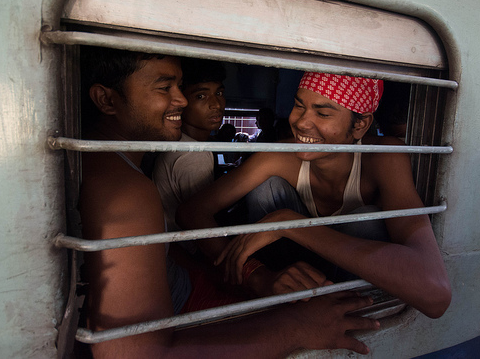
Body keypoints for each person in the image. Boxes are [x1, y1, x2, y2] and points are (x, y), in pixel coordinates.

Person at [78, 48, 379, 358]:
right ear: (107, 100)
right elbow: (135, 353)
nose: (180, 99)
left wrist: (245, 271)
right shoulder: (126, 189)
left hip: (184, 282)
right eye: (165, 87)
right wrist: (297, 327)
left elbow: (161, 256)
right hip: (182, 305)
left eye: (180, 87)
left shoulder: (104, 164)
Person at [177, 71, 452, 319]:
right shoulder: (278, 156)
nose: (301, 123)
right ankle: (283, 301)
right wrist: (258, 277)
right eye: (299, 105)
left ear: (359, 126)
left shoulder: (384, 157)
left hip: (351, 290)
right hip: (288, 276)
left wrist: (289, 224)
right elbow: (191, 212)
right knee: (268, 189)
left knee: (366, 220)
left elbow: (435, 296)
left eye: (322, 113)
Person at [151, 57, 226, 233]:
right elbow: (200, 225)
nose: (215, 104)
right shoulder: (195, 154)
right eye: (200, 96)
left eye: (219, 93)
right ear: (182, 101)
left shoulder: (180, 144)